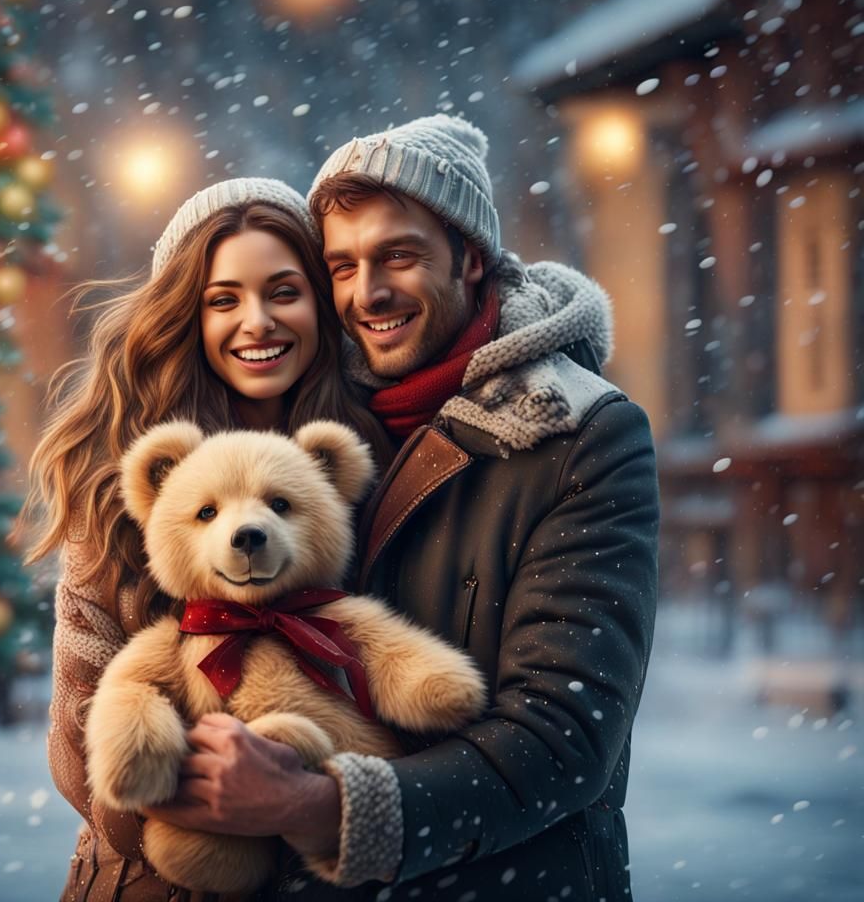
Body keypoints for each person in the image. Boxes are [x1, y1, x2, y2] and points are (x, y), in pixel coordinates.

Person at [143, 116, 660, 901]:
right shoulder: (308, 415)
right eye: (341, 266)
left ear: (472, 258)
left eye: (399, 256)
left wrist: (322, 807)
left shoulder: (583, 433)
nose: (367, 292)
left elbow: (563, 737)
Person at [15, 177, 387, 902]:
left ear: (320, 302)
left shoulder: (364, 457)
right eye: (224, 299)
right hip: (153, 883)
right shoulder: (121, 475)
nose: (258, 321)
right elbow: (77, 741)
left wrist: (317, 800)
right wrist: (217, 794)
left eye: (284, 291)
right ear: (187, 312)